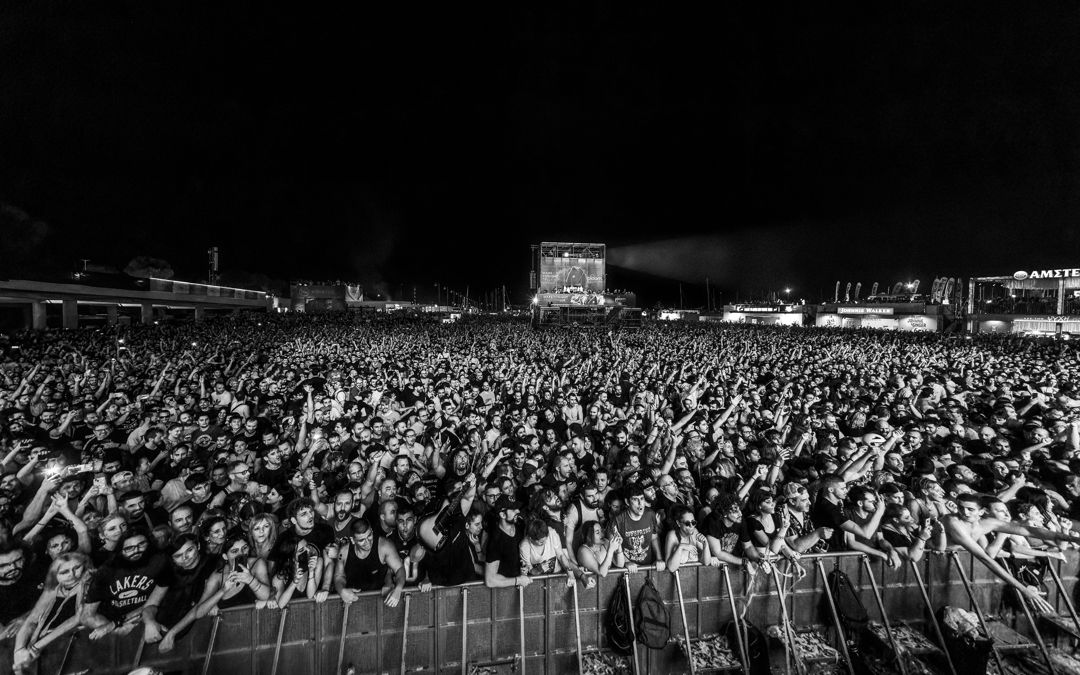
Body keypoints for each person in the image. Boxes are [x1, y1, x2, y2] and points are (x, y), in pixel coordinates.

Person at [941, 492, 1080, 614]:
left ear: (981, 512)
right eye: (961, 508)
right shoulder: (953, 522)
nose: (964, 513)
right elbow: (985, 558)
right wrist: (1023, 590)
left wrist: (1073, 538)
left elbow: (1029, 531)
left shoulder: (988, 523)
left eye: (970, 509)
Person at [81, 529, 174, 640]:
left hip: (145, 615)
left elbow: (152, 604)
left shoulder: (160, 561)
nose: (136, 551)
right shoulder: (106, 571)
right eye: (129, 548)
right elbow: (86, 616)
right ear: (121, 551)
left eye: (141, 544)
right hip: (110, 620)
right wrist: (116, 629)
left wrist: (115, 625)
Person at [12, 552, 91, 672]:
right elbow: (32, 620)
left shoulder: (88, 584)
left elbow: (77, 618)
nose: (72, 575)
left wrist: (35, 648)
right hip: (43, 646)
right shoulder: (52, 590)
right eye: (64, 572)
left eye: (77, 568)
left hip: (73, 643)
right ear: (55, 575)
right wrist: (19, 650)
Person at [334, 519, 406, 606]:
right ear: (353, 540)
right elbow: (339, 575)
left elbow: (399, 568)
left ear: (372, 531)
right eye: (361, 540)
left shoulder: (384, 546)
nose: (367, 542)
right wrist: (341, 591)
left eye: (369, 536)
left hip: (381, 600)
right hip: (353, 601)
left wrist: (398, 589)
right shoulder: (344, 552)